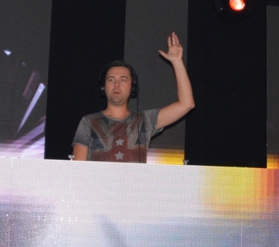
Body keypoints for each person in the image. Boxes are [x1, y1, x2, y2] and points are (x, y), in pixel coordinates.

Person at [72, 32, 194, 162]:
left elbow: (187, 104)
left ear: (132, 87)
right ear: (103, 87)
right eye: (111, 79)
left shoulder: (145, 121)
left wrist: (177, 62)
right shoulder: (89, 122)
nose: (117, 84)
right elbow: (78, 168)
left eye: (123, 80)